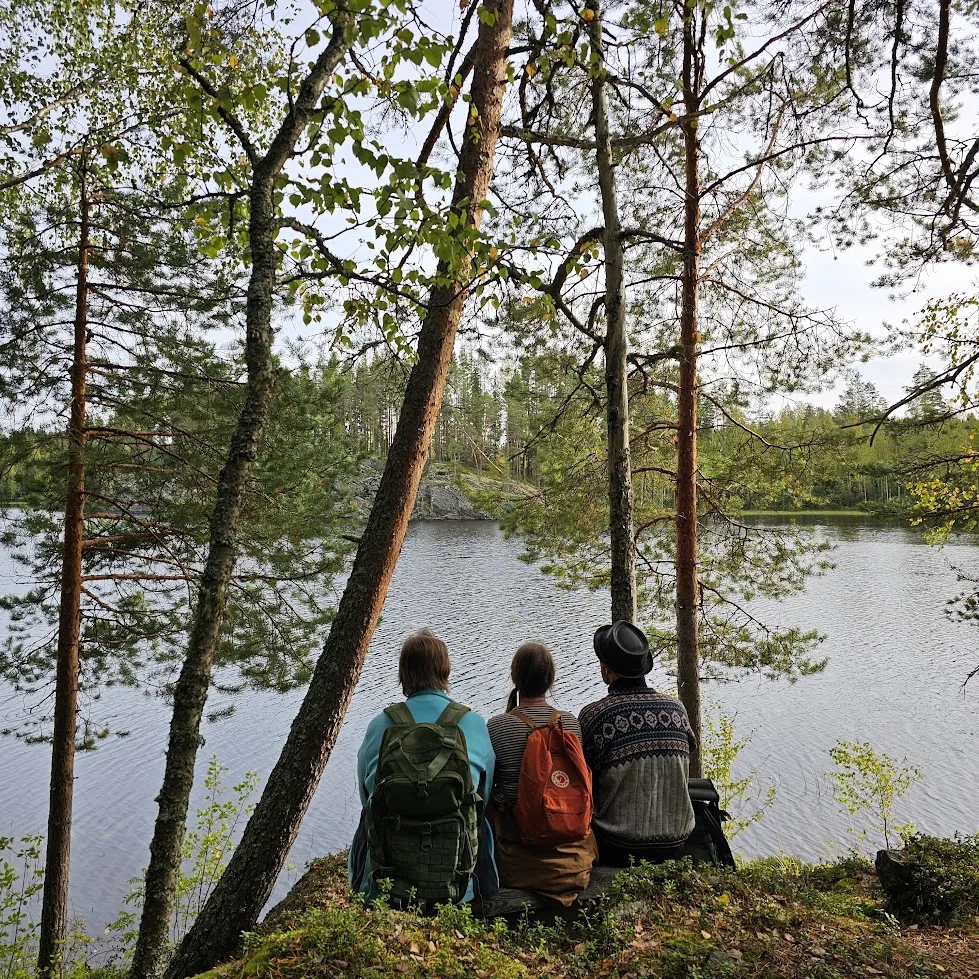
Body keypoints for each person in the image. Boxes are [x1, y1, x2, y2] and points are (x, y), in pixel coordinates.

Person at [348, 628, 496, 905]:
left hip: (389, 878)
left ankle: (368, 890)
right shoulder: (473, 723)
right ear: (445, 671)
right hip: (457, 875)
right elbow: (483, 796)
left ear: (404, 674)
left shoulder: (380, 725)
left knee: (366, 816)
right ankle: (476, 890)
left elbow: (367, 795)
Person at [578, 620, 696, 866]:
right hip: (677, 841)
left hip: (618, 845)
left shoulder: (596, 716)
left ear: (606, 669)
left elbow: (582, 780)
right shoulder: (677, 710)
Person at [486, 642, 597, 905]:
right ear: (550, 681)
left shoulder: (497, 726)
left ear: (515, 678)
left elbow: (486, 788)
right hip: (572, 847)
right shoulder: (569, 722)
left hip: (519, 853)